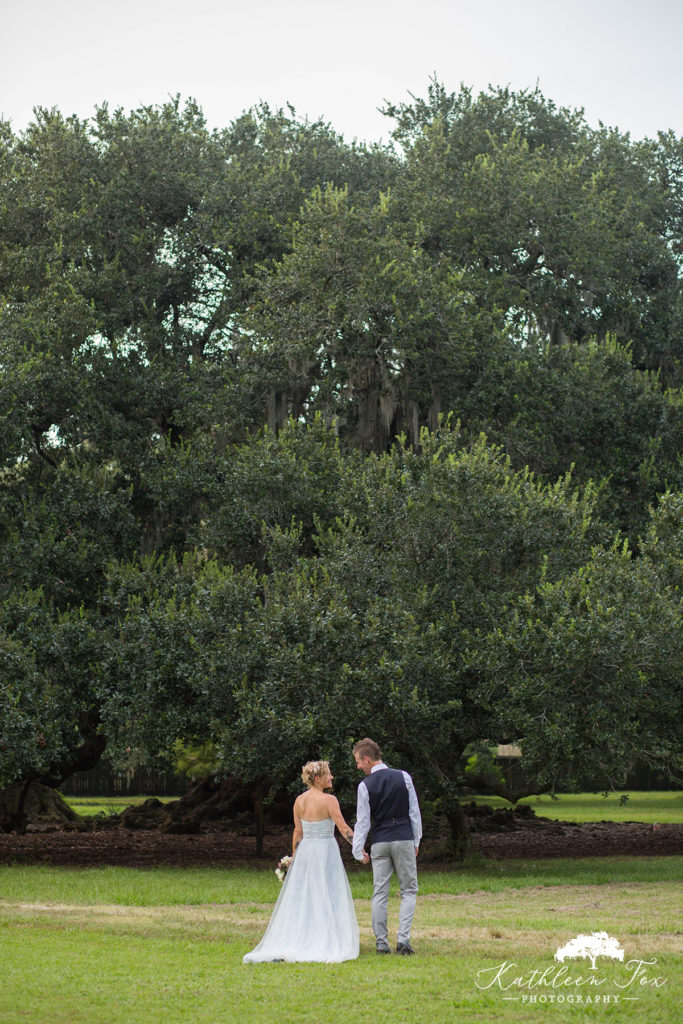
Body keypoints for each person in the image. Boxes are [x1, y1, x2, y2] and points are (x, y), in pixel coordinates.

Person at [243, 760, 360, 963]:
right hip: (325, 850)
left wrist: (295, 858)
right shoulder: (329, 800)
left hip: (306, 851)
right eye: (328, 774)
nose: (331, 777)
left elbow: (298, 832)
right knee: (327, 891)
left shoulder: (299, 801)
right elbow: (343, 827)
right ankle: (325, 938)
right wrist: (359, 848)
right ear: (317, 778)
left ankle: (303, 935)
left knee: (306, 894)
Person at [352, 738, 422, 955]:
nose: (357, 767)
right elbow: (414, 812)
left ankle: (382, 943)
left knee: (380, 893)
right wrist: (416, 839)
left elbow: (363, 821)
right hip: (403, 837)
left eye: (358, 762)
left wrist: (358, 849)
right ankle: (403, 941)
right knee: (408, 890)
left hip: (380, 841)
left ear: (366, 758)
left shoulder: (365, 786)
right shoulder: (403, 777)